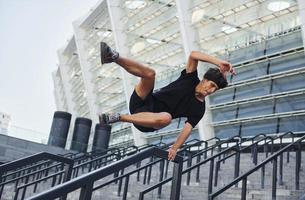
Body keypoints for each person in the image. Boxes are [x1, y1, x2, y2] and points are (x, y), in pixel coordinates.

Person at [98, 42, 236, 161]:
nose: (211, 90)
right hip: (142, 102)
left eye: (215, 89)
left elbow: (186, 130)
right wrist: (218, 62)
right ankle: (113, 57)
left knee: (167, 117)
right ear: (205, 79)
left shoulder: (199, 108)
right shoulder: (190, 78)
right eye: (212, 85)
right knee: (150, 74)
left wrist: (175, 148)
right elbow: (194, 55)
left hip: (149, 121)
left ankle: (117, 117)